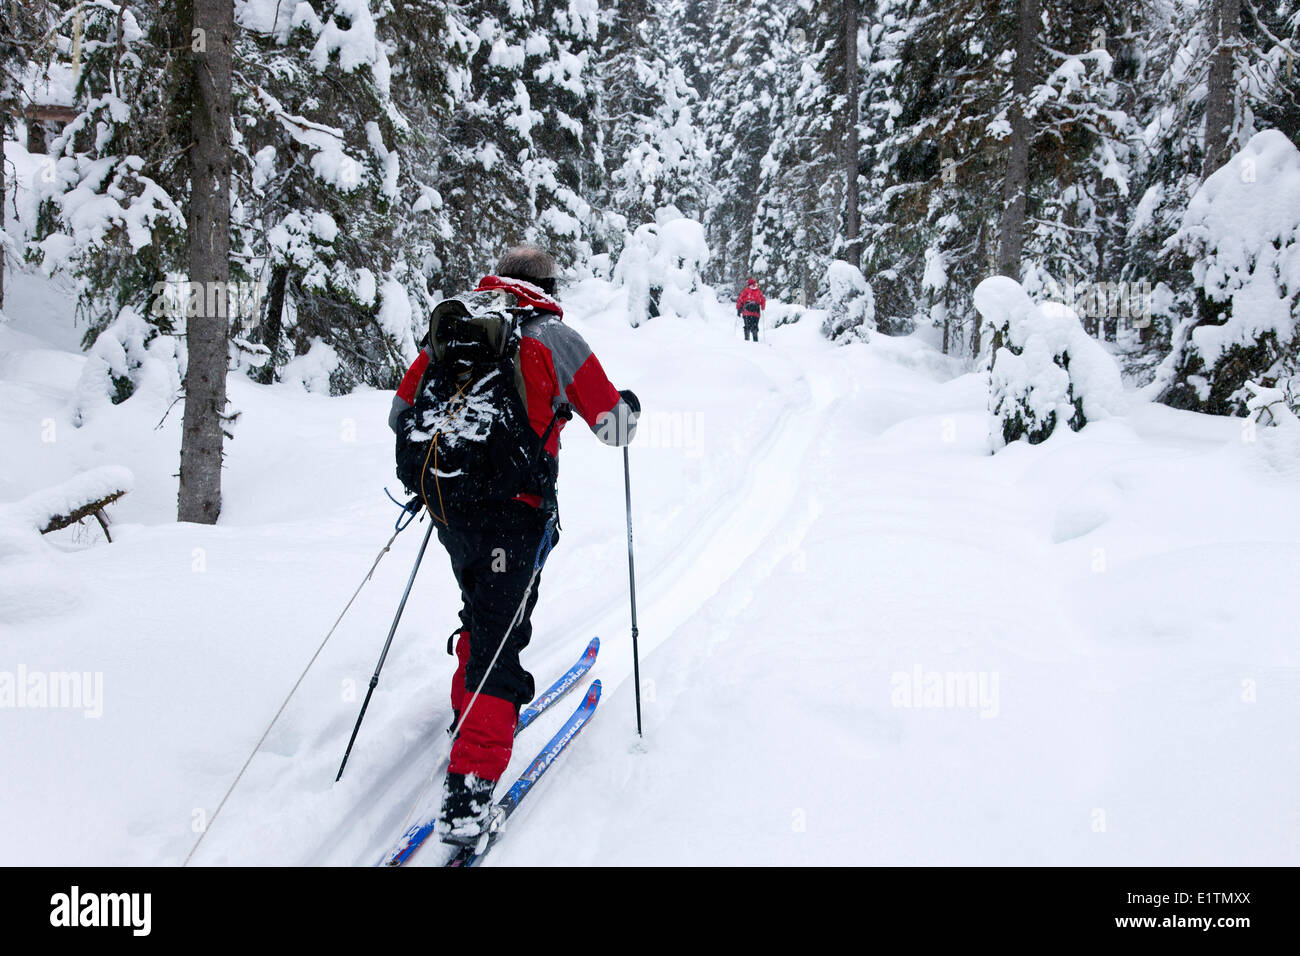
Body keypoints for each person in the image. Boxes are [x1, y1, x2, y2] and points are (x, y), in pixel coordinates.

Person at [388, 243, 639, 846]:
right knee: (501, 639)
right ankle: (469, 796)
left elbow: (401, 415)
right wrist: (628, 409)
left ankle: (468, 713)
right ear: (549, 282)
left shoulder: (453, 327)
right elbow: (613, 427)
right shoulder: (554, 337)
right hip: (517, 517)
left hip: (450, 510)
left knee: (484, 612)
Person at [736, 277, 766, 342]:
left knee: (747, 326)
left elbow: (740, 299)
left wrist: (738, 309)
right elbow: (763, 300)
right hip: (756, 312)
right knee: (754, 326)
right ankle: (755, 340)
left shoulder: (745, 291)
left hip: (746, 312)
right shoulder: (758, 291)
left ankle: (747, 340)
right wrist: (763, 307)